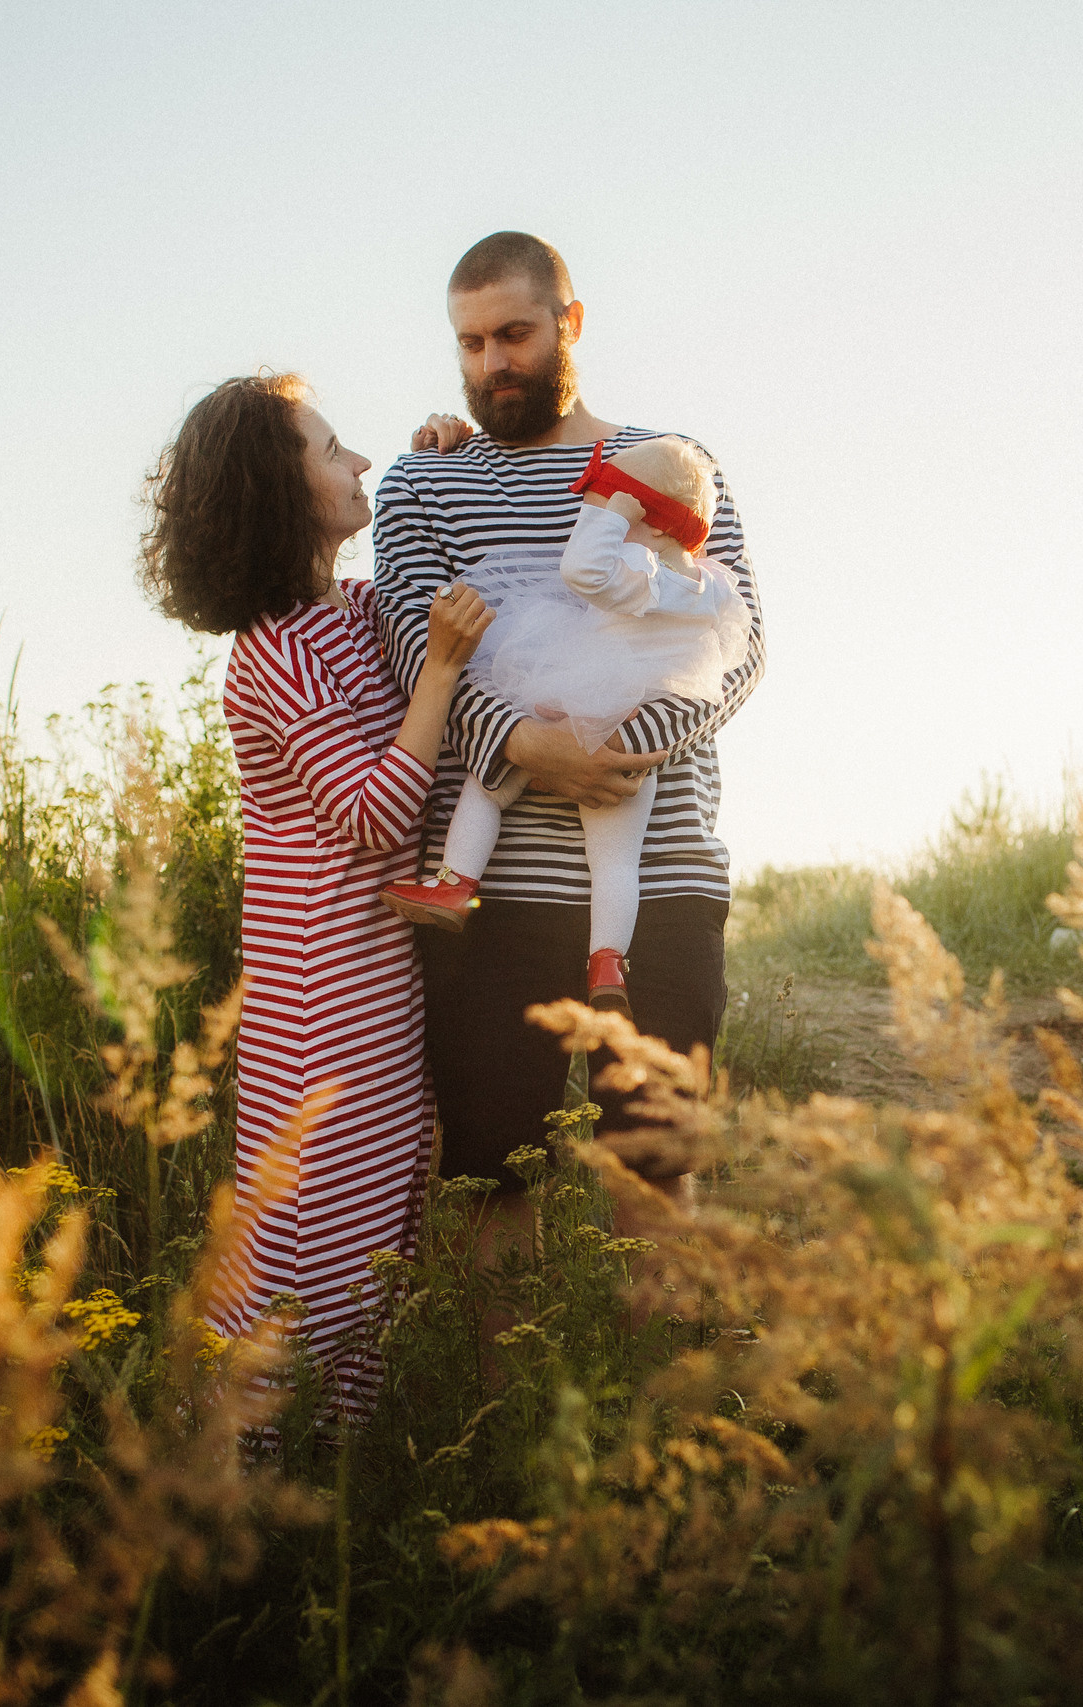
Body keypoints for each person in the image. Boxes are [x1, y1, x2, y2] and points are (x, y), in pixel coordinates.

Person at [365, 231, 765, 1206]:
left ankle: (666, 1363)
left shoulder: (673, 464)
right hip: (493, 904)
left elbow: (738, 642)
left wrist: (619, 748)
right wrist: (526, 745)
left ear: (569, 321)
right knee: (492, 1193)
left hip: (663, 885)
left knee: (659, 1189)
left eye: (513, 334)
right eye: (470, 344)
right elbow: (414, 647)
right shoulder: (421, 484)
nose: (491, 364)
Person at [137, 371, 492, 1417]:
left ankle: (328, 1498)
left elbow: (456, 589)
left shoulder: (356, 613)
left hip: (382, 988)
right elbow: (379, 814)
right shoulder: (272, 655)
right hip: (318, 1007)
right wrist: (436, 674)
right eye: (333, 451)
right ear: (277, 490)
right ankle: (226, 1498)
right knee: (306, 1260)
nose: (359, 463)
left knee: (375, 1249)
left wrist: (447, 462)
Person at [373, 434, 751, 1023]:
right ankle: (607, 961)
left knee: (488, 782)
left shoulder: (639, 568)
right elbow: (734, 644)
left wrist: (613, 512)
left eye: (613, 500)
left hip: (576, 692)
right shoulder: (709, 585)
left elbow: (582, 570)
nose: (596, 508)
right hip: (634, 733)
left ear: (651, 524)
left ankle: (454, 881)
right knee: (617, 860)